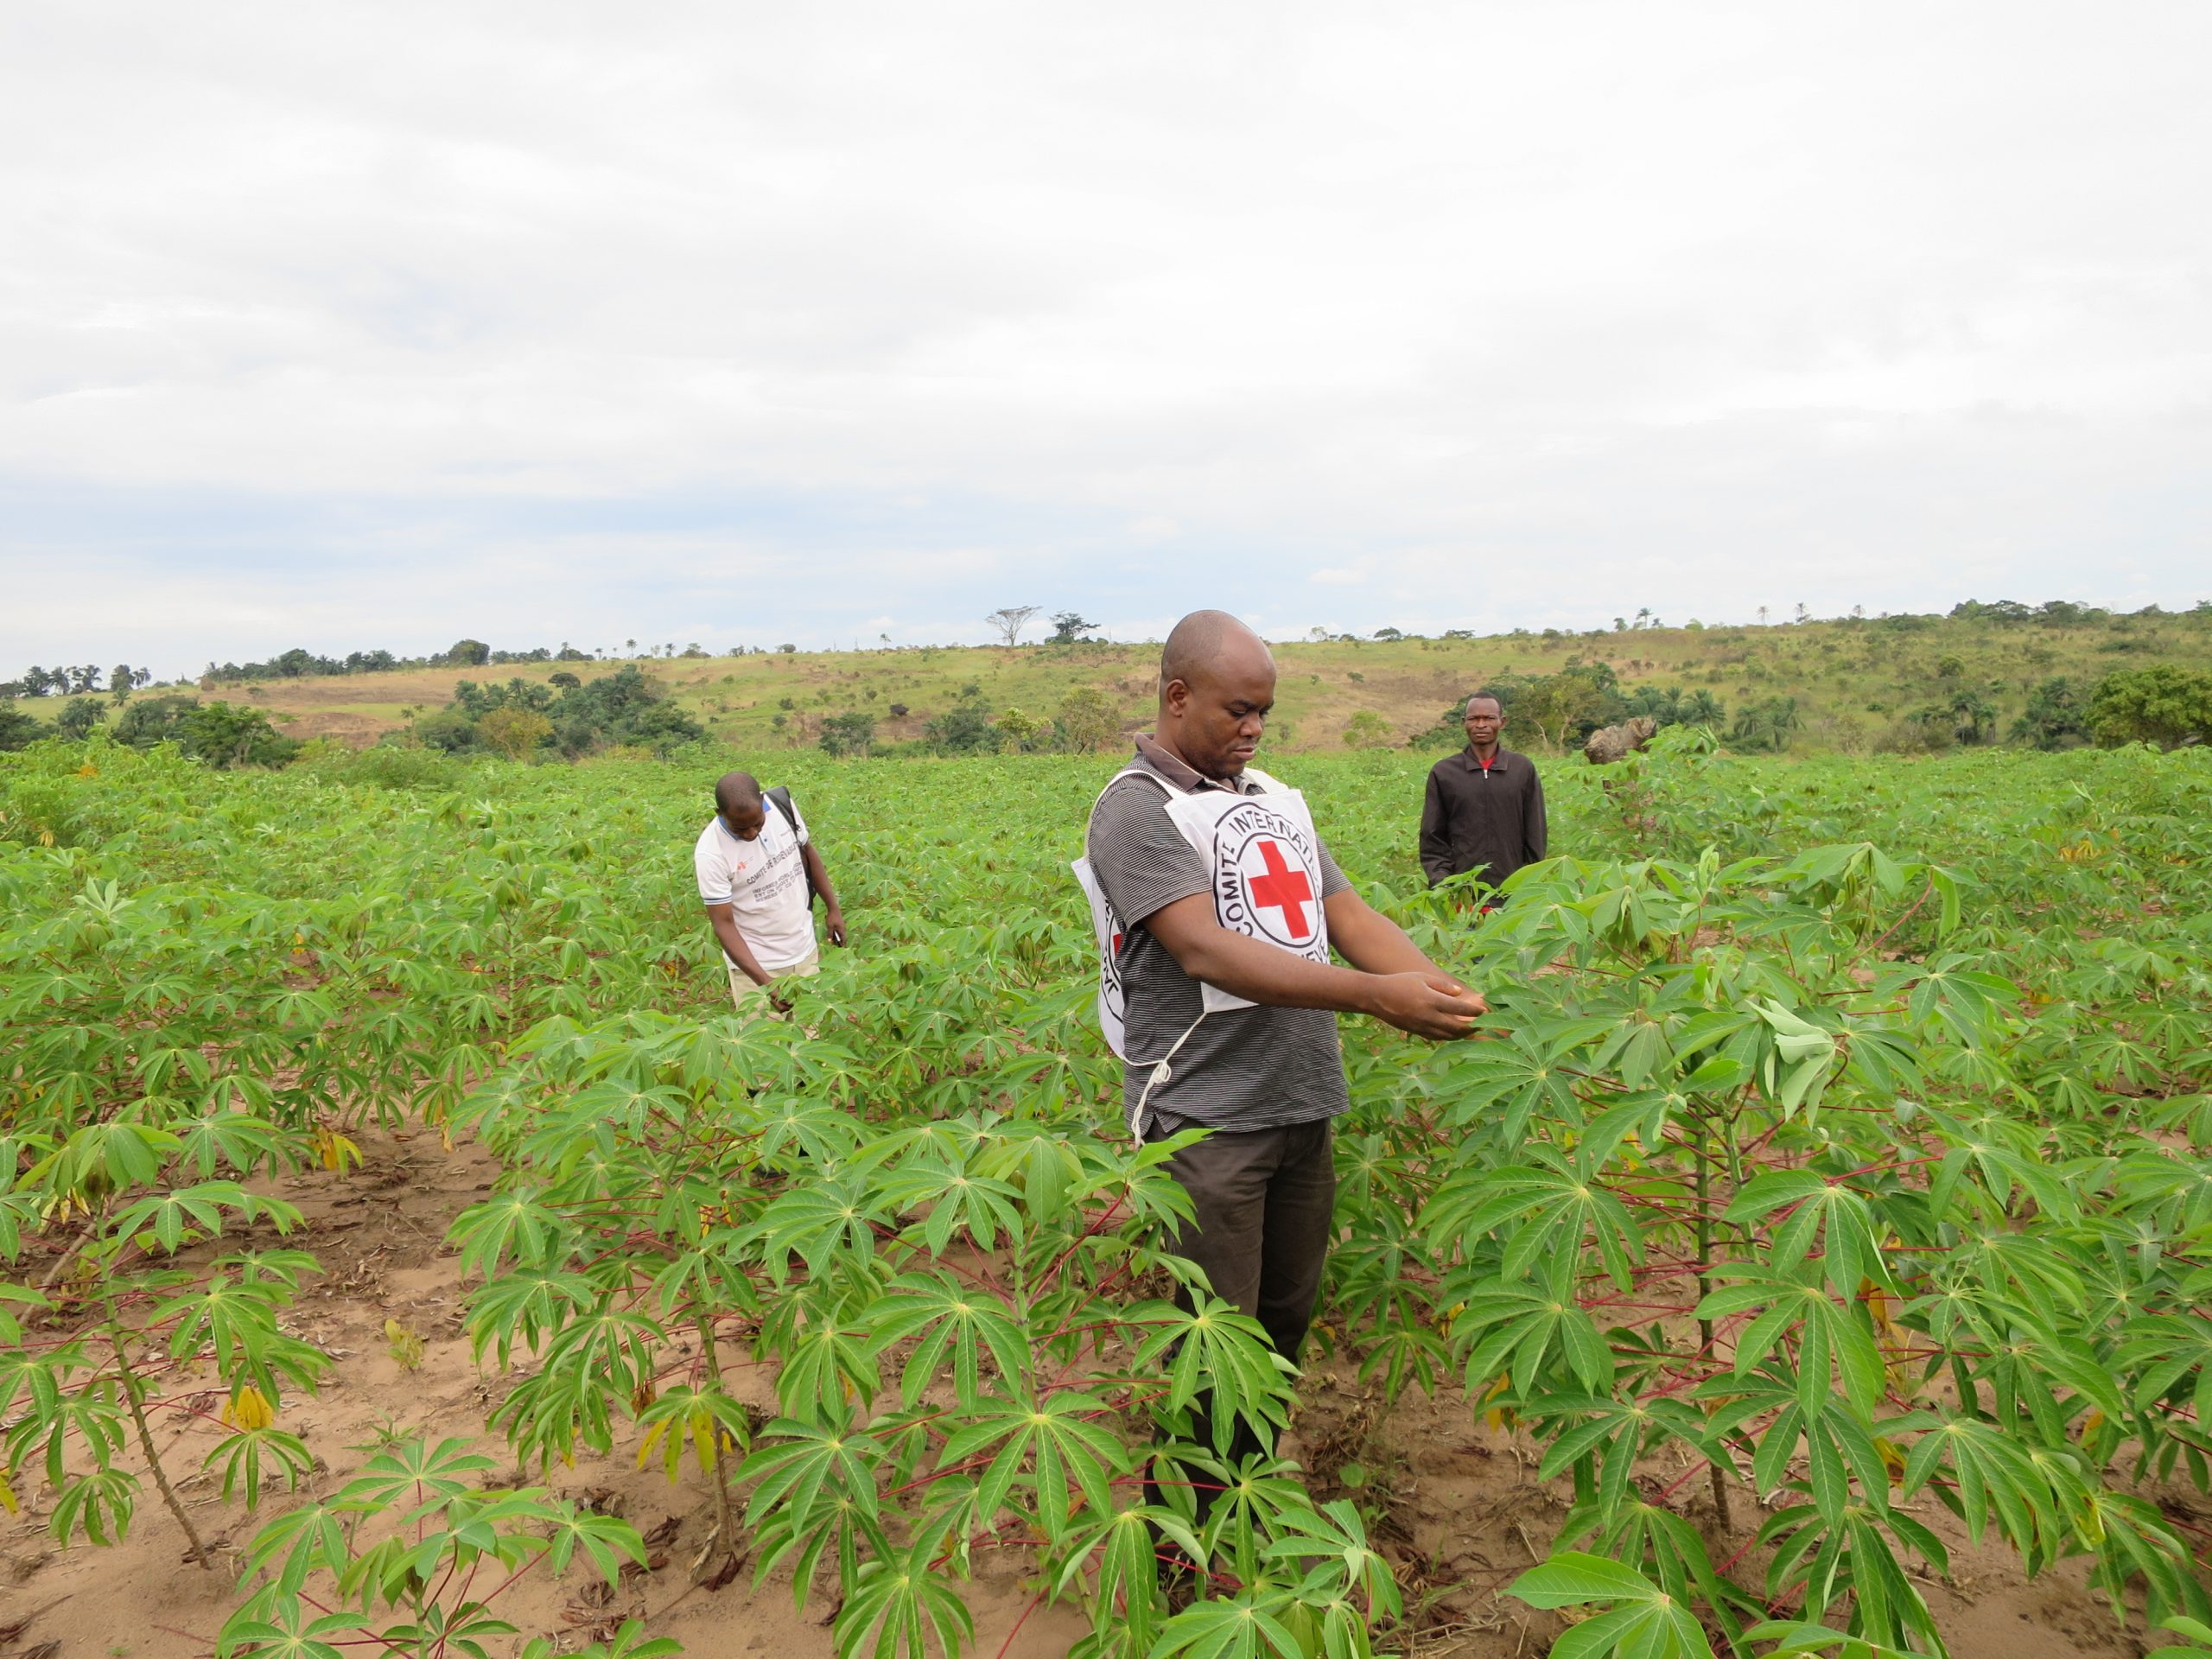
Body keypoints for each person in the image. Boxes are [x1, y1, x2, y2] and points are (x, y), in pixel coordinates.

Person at [1077, 610, 1487, 1530]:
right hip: (1207, 1127)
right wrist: (1379, 1000)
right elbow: (1205, 951)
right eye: (1238, 710)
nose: (1254, 728)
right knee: (1213, 1350)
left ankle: (1246, 1505)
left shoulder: (1267, 800)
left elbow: (1347, 913)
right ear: (1177, 698)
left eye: (1265, 712)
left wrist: (1431, 984)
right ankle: (1190, 1550)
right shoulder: (1135, 807)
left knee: (1279, 1334)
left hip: (1299, 1106)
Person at [695, 771, 847, 1014]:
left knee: (808, 1041)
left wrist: (833, 908)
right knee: (766, 1050)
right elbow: (723, 924)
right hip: (758, 967)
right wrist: (765, 983)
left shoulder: (781, 805)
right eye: (740, 828)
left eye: (757, 824)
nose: (751, 833)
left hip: (804, 950)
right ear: (719, 814)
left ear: (763, 801)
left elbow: (808, 852)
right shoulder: (711, 854)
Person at [1418, 692, 1547, 899]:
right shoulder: (1444, 772)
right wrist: (1443, 883)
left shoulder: (1522, 769)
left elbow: (1536, 834)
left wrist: (1526, 884)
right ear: (1464, 722)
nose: (1481, 724)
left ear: (1501, 722)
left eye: (1488, 718)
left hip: (1512, 893)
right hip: (1461, 894)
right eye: (1473, 718)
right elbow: (1432, 837)